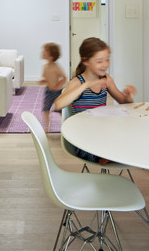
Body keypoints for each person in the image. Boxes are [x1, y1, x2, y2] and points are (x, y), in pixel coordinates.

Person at [53, 37, 136, 165]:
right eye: (99, 61)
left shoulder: (106, 79)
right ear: (86, 61)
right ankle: (108, 154)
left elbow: (124, 103)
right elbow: (57, 105)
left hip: (102, 132)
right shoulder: (77, 82)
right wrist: (85, 86)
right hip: (84, 138)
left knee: (130, 137)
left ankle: (111, 153)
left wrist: (128, 95)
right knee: (116, 145)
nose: (105, 65)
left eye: (107, 60)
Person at [38, 42, 67, 132]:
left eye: (45, 51)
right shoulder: (45, 66)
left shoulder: (56, 67)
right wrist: (43, 79)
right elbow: (44, 76)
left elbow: (64, 77)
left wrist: (58, 85)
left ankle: (66, 126)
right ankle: (46, 128)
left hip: (57, 93)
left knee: (60, 111)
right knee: (45, 109)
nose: (42, 52)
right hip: (48, 92)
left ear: (51, 55)